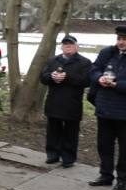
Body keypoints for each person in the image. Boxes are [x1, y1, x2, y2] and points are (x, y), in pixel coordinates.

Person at [39, 35, 91, 168]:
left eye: (71, 44)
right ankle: (52, 154)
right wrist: (51, 76)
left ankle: (68, 157)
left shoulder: (84, 62)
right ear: (61, 46)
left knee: (71, 132)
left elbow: (86, 81)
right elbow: (43, 78)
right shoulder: (53, 60)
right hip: (54, 101)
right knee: (53, 130)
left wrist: (67, 77)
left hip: (72, 103)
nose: (68, 46)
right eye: (65, 44)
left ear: (76, 46)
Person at [88, 25, 126, 190]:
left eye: (124, 39)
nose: (121, 42)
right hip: (104, 107)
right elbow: (94, 69)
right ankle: (105, 175)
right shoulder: (107, 53)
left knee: (125, 148)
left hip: (124, 111)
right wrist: (99, 78)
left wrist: (117, 85)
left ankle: (123, 179)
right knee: (104, 144)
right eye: (119, 38)